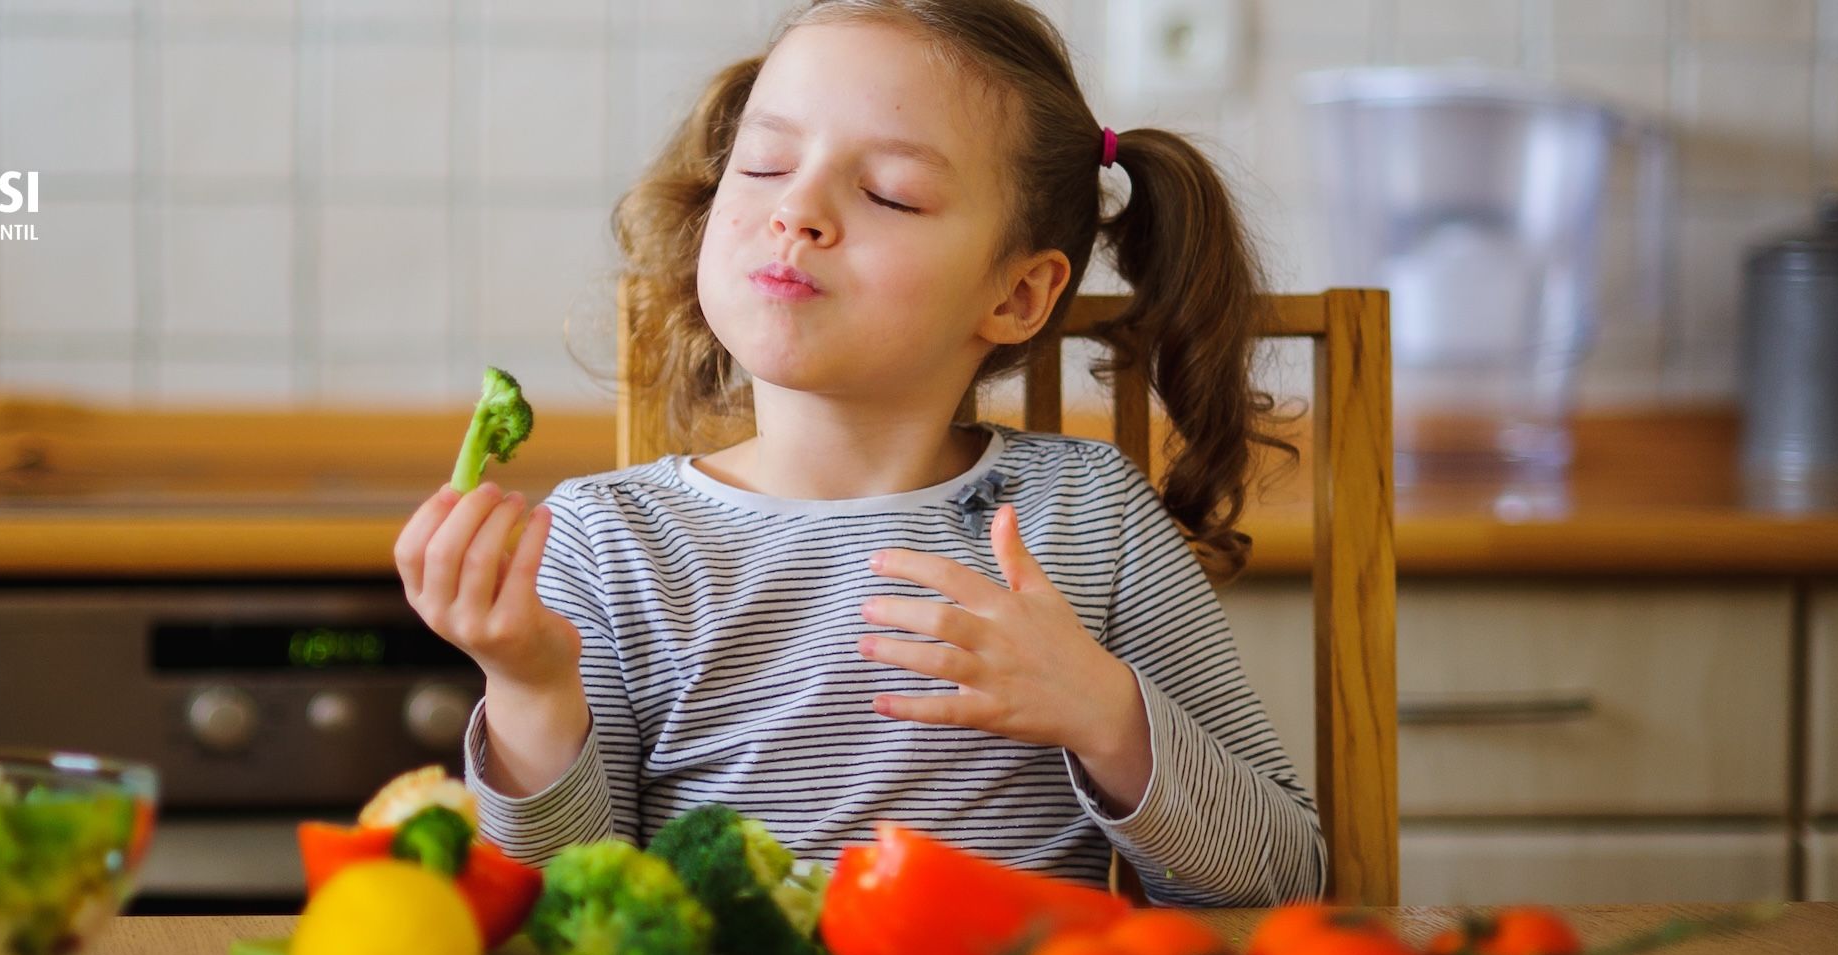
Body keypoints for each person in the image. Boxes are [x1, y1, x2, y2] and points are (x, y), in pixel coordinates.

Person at [394, 0, 1322, 905]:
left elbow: (1282, 881)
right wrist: (530, 691)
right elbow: (560, 910)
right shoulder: (606, 540)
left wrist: (1107, 714)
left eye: (890, 193)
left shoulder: (1089, 519)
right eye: (761, 166)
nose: (796, 208)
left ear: (1018, 295)